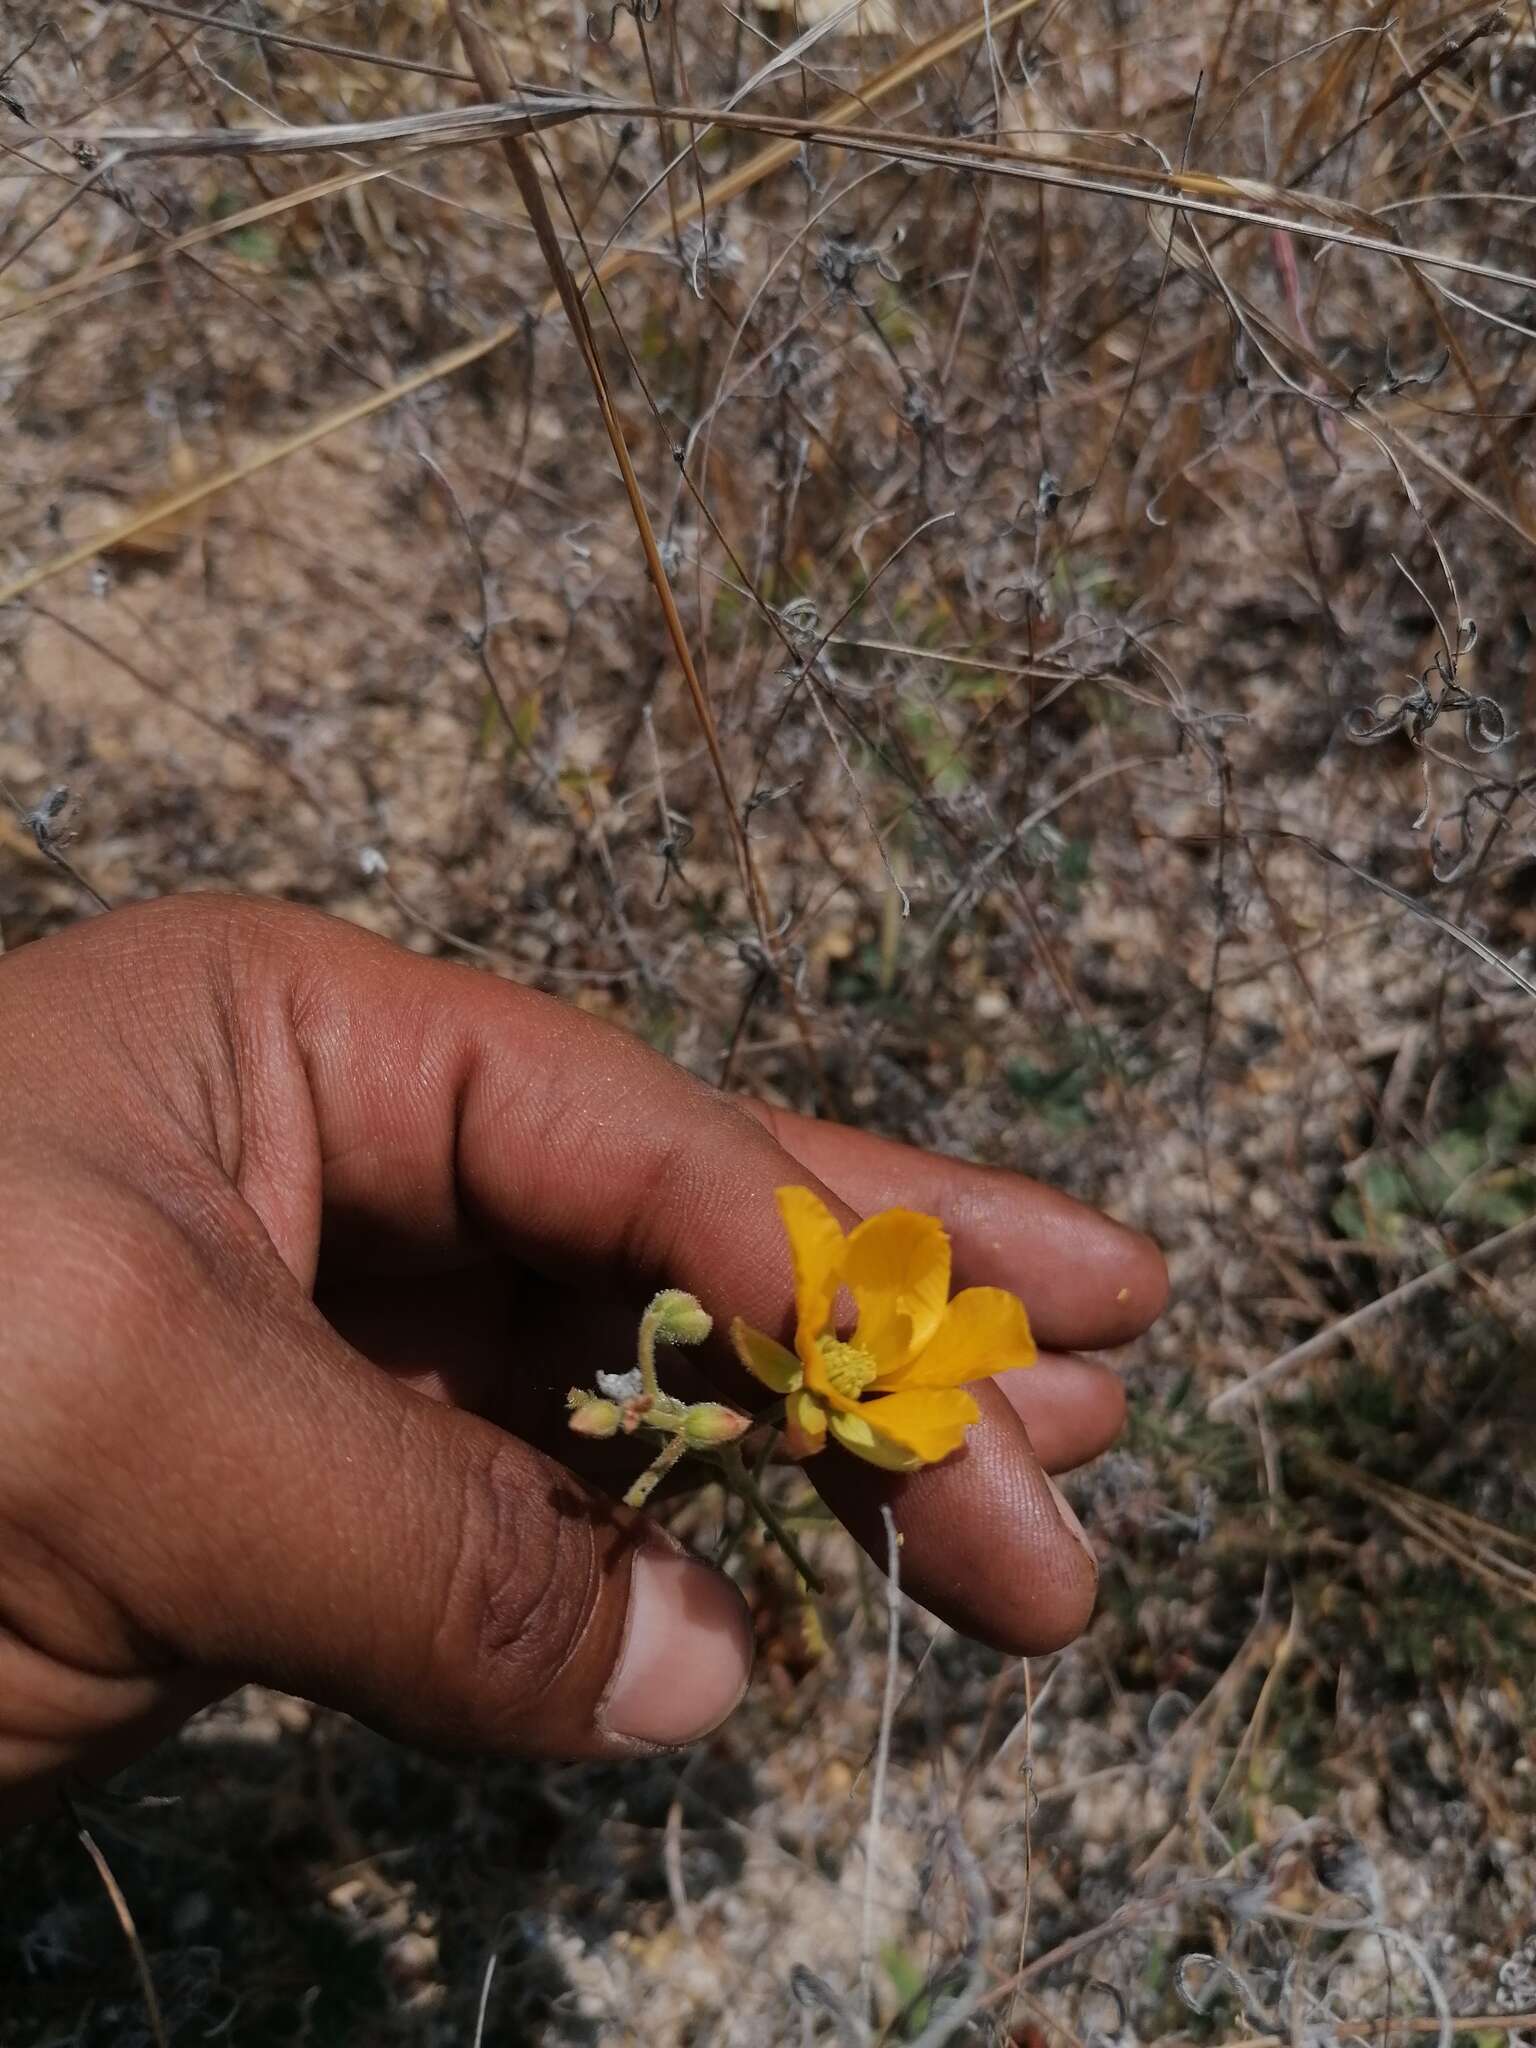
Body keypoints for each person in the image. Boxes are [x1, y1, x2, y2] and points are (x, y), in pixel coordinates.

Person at [0, 895, 1166, 1830]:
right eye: (845, 1360)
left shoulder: (847, 1385)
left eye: (854, 1371)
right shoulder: (801, 1342)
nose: (851, 1366)